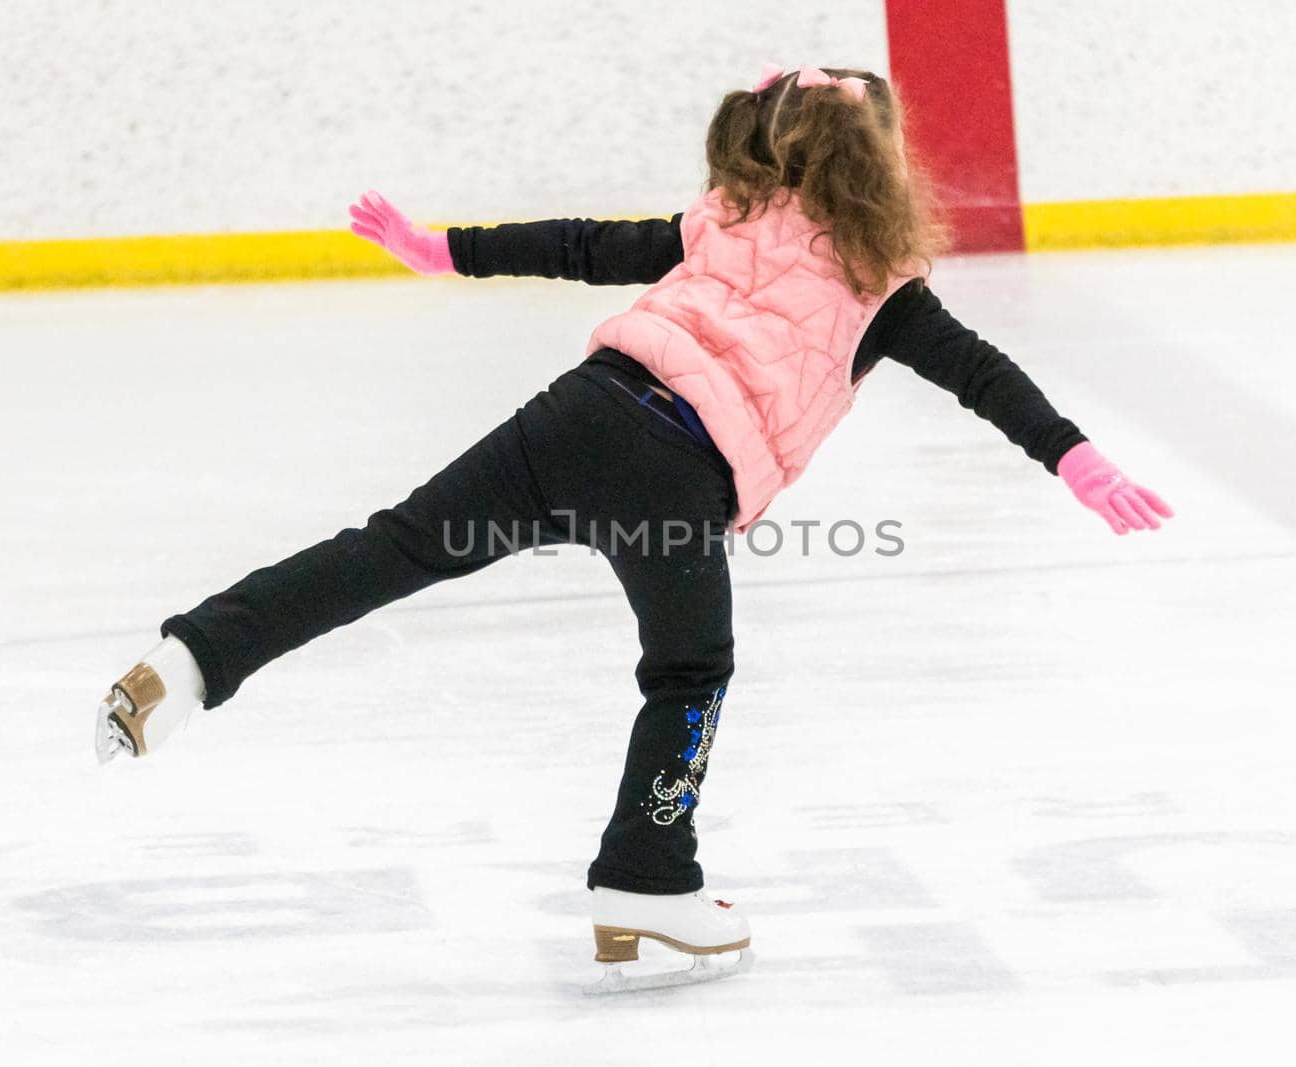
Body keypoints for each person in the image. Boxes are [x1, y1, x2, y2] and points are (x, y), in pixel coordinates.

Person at [92, 64, 1172, 991]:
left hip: (577, 412)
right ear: (883, 162)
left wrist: (438, 249)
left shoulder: (727, 215)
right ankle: (646, 877)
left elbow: (581, 244)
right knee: (690, 666)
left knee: (393, 547)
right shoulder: (883, 283)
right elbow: (986, 376)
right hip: (675, 477)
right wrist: (1076, 459)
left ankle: (189, 657)